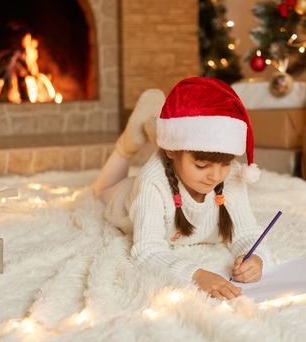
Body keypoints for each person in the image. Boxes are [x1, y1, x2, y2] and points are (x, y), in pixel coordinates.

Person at [93, 77, 269, 300]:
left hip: (170, 164)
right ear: (171, 150)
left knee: (203, 165)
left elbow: (246, 233)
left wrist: (256, 258)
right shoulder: (151, 184)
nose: (216, 176)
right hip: (126, 197)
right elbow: (147, 251)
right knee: (100, 191)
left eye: (226, 163)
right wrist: (196, 274)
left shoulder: (231, 175)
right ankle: (128, 143)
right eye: (202, 165)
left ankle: (152, 124)